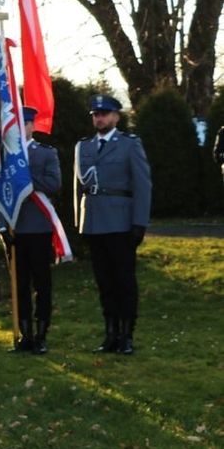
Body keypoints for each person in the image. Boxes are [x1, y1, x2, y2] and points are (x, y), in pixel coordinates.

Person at [74, 94, 151, 355]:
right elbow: (78, 188)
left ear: (116, 117)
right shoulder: (83, 147)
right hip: (94, 222)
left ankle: (126, 335)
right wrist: (79, 222)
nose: (100, 118)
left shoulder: (129, 144)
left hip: (120, 222)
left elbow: (142, 185)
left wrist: (139, 222)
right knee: (104, 283)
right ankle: (110, 334)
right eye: (96, 114)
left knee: (124, 282)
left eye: (105, 114)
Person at [10, 106, 62, 354]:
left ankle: (41, 335)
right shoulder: (5, 154)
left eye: (25, 124)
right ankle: (24, 335)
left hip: (39, 226)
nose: (22, 128)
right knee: (18, 284)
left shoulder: (45, 153)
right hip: (14, 228)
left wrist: (26, 180)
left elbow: (54, 184)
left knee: (42, 283)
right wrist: (1, 224)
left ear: (32, 126)